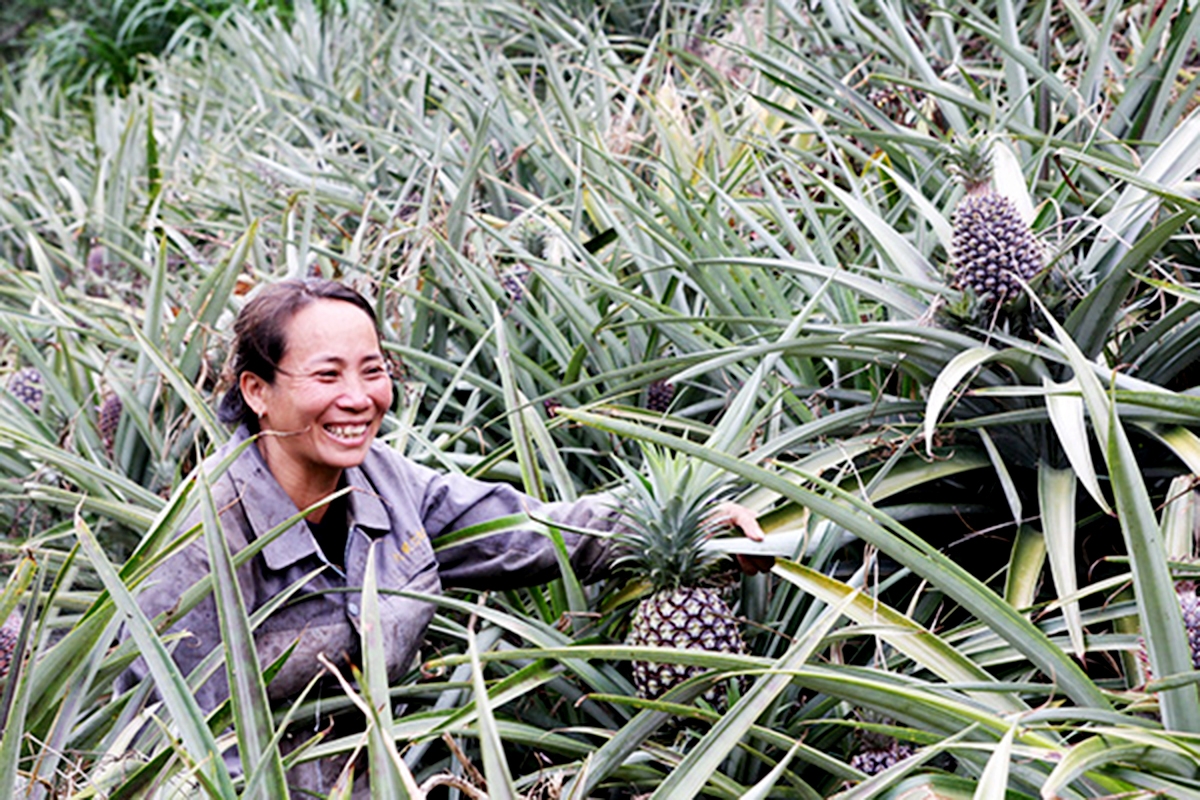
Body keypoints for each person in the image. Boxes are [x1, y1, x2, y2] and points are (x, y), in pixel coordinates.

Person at [120, 277, 766, 796]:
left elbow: (522, 531)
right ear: (257, 391)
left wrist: (679, 518)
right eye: (326, 376)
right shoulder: (205, 537)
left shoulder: (384, 481)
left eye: (372, 370)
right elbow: (167, 745)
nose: (358, 397)